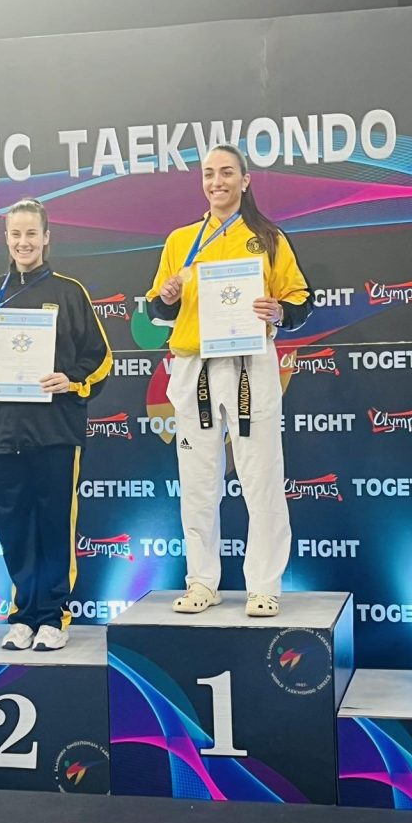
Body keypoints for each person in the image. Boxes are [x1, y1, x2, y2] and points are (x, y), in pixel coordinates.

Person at [146, 144, 311, 618]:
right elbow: (156, 312)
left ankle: (264, 585)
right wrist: (168, 297)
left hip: (248, 364)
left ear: (245, 180)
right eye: (208, 174)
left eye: (226, 173)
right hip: (194, 366)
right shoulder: (181, 240)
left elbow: (300, 301)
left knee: (261, 477)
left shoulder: (268, 238)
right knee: (198, 482)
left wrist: (279, 311)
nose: (216, 182)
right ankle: (202, 581)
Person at [0, 198, 111, 652]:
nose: (23, 242)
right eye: (15, 234)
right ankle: (23, 615)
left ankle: (54, 616)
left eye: (31, 234)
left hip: (55, 430)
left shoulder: (70, 292)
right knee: (13, 528)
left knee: (54, 525)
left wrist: (72, 380)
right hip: (1, 433)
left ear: (46, 238)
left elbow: (100, 359)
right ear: (6, 239)